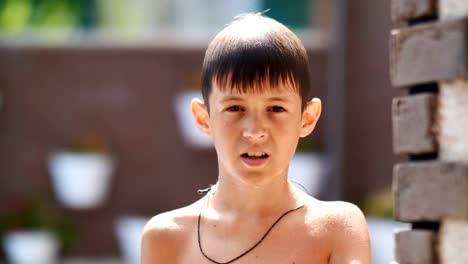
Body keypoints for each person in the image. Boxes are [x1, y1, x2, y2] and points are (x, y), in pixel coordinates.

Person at [142, 13, 371, 264]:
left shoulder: (336, 229)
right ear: (203, 118)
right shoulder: (167, 237)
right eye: (234, 108)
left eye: (276, 109)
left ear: (307, 118)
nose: (255, 131)